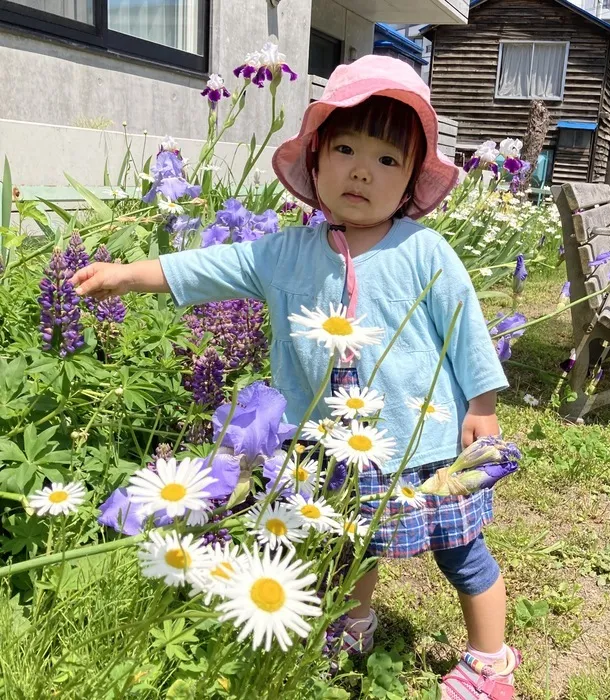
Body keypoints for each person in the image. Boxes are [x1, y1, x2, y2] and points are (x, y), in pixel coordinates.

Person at [70, 55, 520, 699]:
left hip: (420, 450)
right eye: (345, 148)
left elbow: (466, 329)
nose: (363, 169)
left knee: (461, 552)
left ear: (411, 181)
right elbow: (203, 267)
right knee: (345, 543)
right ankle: (353, 619)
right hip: (325, 443)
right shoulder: (282, 253)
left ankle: (490, 660)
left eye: (388, 160)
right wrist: (124, 275)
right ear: (314, 161)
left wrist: (482, 403)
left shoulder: (425, 251)